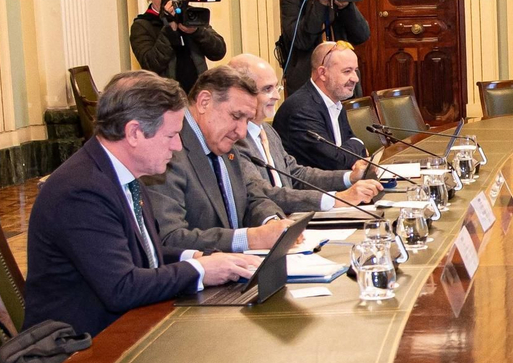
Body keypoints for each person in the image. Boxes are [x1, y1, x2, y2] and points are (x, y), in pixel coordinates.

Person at [23, 72, 259, 337]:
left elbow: (145, 256)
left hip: (125, 329)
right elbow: (122, 287)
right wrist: (200, 270)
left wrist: (198, 257)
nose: (178, 146)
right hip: (81, 349)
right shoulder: (81, 191)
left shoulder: (126, 176)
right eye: (171, 135)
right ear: (134, 132)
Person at [149, 65, 296, 252]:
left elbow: (252, 196)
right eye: (236, 116)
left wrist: (273, 223)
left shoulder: (224, 143)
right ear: (204, 102)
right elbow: (170, 238)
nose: (242, 132)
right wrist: (249, 239)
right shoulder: (168, 150)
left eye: (247, 120)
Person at [230, 54, 382, 213]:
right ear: (241, 93)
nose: (276, 96)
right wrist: (338, 198)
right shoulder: (235, 139)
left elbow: (296, 174)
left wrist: (350, 178)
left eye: (277, 87)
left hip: (293, 219)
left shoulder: (267, 130)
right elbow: (265, 194)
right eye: (268, 89)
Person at [273, 41, 370, 171]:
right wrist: (360, 144)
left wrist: (354, 149)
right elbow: (335, 163)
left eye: (355, 71)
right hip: (310, 188)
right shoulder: (301, 109)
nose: (355, 79)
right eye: (347, 71)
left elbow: (349, 144)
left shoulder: (334, 101)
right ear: (323, 73)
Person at [129, 0, 226, 93]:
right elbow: (150, 65)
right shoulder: (143, 25)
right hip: (165, 98)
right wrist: (169, 28)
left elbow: (218, 51)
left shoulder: (189, 15)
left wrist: (197, 31)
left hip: (198, 95)